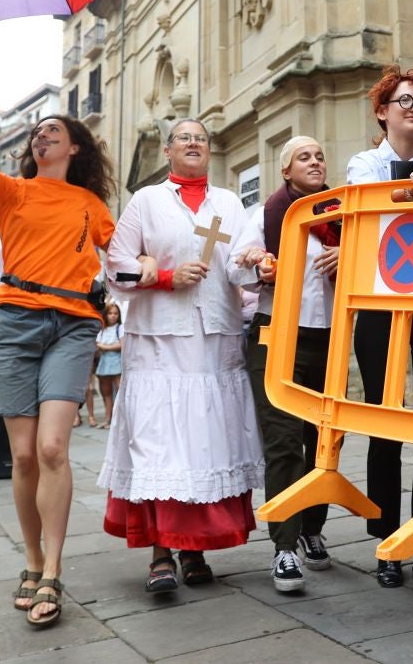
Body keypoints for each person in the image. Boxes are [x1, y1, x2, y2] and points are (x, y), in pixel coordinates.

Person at [0, 48, 116, 628]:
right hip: (13, 325)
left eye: (53, 131)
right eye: (37, 132)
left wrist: (135, 287)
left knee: (53, 449)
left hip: (72, 327)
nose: (42, 137)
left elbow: (124, 262)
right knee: (20, 454)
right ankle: (32, 558)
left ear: (75, 147)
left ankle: (55, 570)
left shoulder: (93, 205)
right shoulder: (11, 190)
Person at [101, 118, 263, 595]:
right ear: (168, 152)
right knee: (160, 444)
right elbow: (117, 264)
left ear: (209, 152)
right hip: (158, 343)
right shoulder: (147, 201)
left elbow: (239, 267)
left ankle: (193, 549)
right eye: (184, 138)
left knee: (202, 443)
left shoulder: (229, 203)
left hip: (214, 340)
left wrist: (254, 262)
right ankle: (160, 554)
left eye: (201, 139)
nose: (194, 144)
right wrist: (166, 277)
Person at [344, 65, 413, 594]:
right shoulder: (365, 163)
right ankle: (387, 541)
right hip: (379, 301)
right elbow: (364, 201)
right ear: (383, 111)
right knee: (385, 424)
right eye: (405, 101)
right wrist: (410, 190)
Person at [238, 135, 340, 593]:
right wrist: (256, 266)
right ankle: (283, 546)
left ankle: (311, 528)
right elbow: (234, 267)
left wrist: (349, 256)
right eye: (304, 156)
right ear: (285, 171)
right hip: (275, 335)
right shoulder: (263, 215)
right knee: (283, 443)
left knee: (321, 441)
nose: (315, 161)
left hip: (328, 339)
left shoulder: (342, 214)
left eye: (319, 155)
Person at [94, 302, 122, 428]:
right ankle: (108, 418)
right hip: (105, 361)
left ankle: (120, 419)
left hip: (116, 360)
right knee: (107, 393)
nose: (113, 316)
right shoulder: (102, 329)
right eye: (110, 313)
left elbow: (121, 345)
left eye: (115, 313)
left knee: (119, 390)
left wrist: (105, 347)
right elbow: (96, 344)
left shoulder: (119, 328)